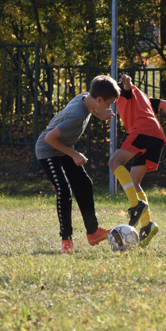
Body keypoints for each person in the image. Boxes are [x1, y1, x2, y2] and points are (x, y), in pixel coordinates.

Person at [36, 75, 121, 253]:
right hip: (48, 150)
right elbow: (49, 138)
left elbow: (91, 108)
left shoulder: (85, 97)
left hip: (63, 147)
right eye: (108, 103)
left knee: (83, 183)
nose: (109, 107)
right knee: (64, 190)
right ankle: (66, 240)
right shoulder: (76, 116)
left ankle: (93, 232)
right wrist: (74, 154)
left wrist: (100, 113)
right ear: (99, 99)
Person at [109, 74, 166, 247]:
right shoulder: (143, 98)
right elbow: (165, 104)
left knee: (114, 162)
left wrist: (127, 83)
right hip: (157, 136)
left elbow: (127, 89)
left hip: (143, 131)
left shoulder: (124, 93)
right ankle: (147, 224)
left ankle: (135, 206)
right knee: (134, 181)